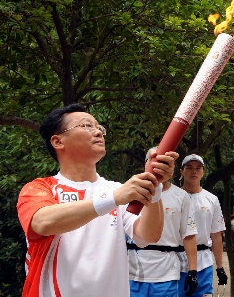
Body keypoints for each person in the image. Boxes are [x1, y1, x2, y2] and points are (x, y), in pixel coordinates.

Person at [17, 104, 177, 297]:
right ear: (58, 141)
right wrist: (113, 199)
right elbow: (43, 222)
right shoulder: (40, 188)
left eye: (99, 127)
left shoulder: (116, 190)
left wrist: (155, 185)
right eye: (86, 126)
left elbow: (148, 235)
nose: (98, 132)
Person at [128, 147, 198, 297]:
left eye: (165, 162)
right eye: (155, 161)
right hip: (133, 271)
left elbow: (189, 235)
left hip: (166, 272)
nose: (160, 167)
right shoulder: (131, 191)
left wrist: (193, 270)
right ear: (146, 164)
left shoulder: (182, 197)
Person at [177, 154, 227, 297]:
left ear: (203, 172)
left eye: (198, 168)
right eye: (189, 168)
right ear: (181, 171)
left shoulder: (212, 200)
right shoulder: (174, 196)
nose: (194, 171)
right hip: (177, 261)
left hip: (204, 262)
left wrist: (220, 267)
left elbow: (216, 235)